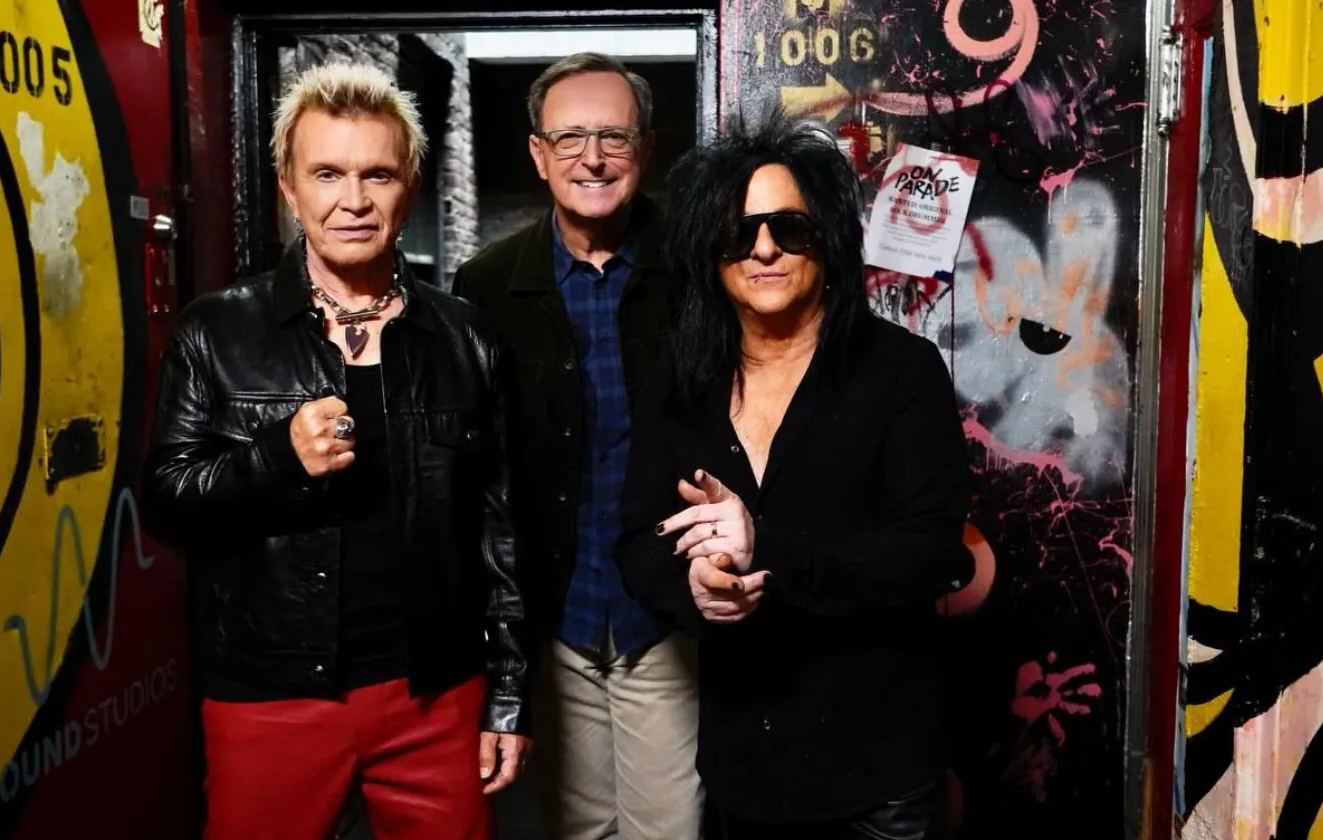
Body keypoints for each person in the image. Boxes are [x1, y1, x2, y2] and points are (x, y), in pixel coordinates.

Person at [141, 61, 530, 840]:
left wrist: (509, 695)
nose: (353, 200)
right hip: (271, 695)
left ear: (409, 188)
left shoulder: (467, 340)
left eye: (376, 174)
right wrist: (274, 459)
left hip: (435, 695)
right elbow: (166, 506)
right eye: (327, 174)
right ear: (289, 188)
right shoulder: (216, 332)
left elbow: (504, 534)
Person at [615, 109, 972, 840]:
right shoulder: (680, 384)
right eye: (738, 232)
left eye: (790, 228)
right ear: (709, 254)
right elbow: (636, 540)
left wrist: (764, 544)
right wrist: (691, 588)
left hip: (879, 774)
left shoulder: (900, 372)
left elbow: (932, 555)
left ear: (828, 241)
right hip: (746, 767)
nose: (764, 249)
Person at [452, 52, 704, 840]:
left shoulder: (701, 269)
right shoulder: (486, 285)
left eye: (612, 137)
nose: (591, 158)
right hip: (554, 613)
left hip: (664, 611)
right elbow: (476, 472)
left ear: (646, 148)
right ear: (538, 154)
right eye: (568, 138)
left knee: (670, 829)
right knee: (577, 829)